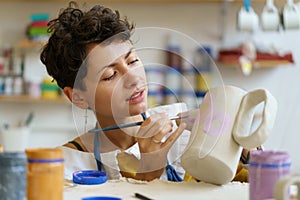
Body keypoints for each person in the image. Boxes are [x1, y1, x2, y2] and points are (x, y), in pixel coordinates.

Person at [40, 1, 250, 182]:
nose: (133, 78)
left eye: (132, 60)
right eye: (110, 75)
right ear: (77, 97)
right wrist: (150, 171)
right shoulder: (64, 165)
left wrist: (247, 154)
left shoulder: (185, 138)